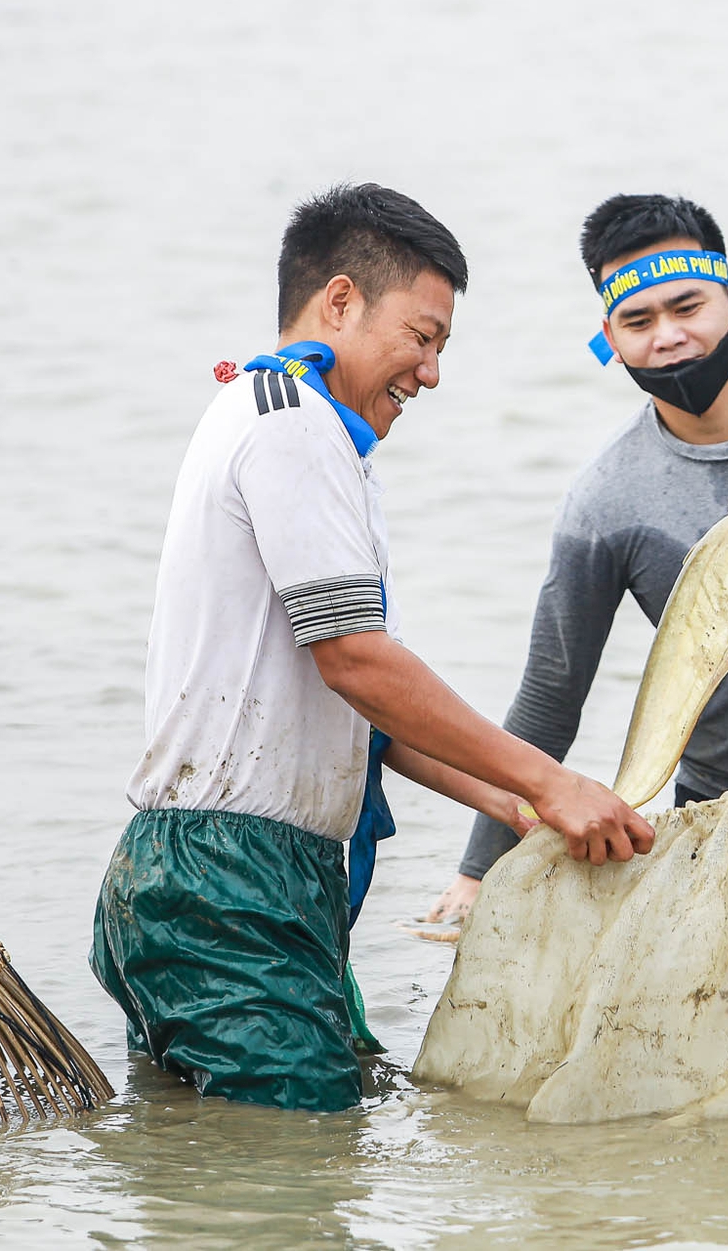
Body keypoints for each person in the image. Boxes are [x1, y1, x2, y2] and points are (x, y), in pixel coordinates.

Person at [90, 183, 653, 1113]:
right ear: (341, 300)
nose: (430, 372)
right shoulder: (293, 422)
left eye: (440, 348)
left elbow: (362, 713)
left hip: (220, 885)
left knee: (243, 1167)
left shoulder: (284, 422)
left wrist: (516, 804)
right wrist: (553, 782)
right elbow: (357, 660)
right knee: (295, 1177)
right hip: (231, 888)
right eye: (422, 337)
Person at [424, 194, 728, 924]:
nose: (668, 336)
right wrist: (479, 872)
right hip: (727, 814)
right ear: (609, 337)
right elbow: (550, 695)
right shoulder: (607, 501)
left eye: (687, 306)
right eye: (638, 321)